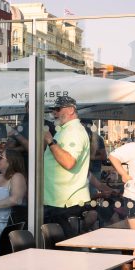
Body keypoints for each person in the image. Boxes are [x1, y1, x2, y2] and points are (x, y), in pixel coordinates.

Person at [43, 96, 91, 238]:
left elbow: (69, 162)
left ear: (71, 110)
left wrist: (50, 142)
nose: (54, 113)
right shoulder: (66, 129)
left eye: (57, 109)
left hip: (64, 200)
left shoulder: (74, 131)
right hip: (59, 198)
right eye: (53, 110)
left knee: (64, 248)